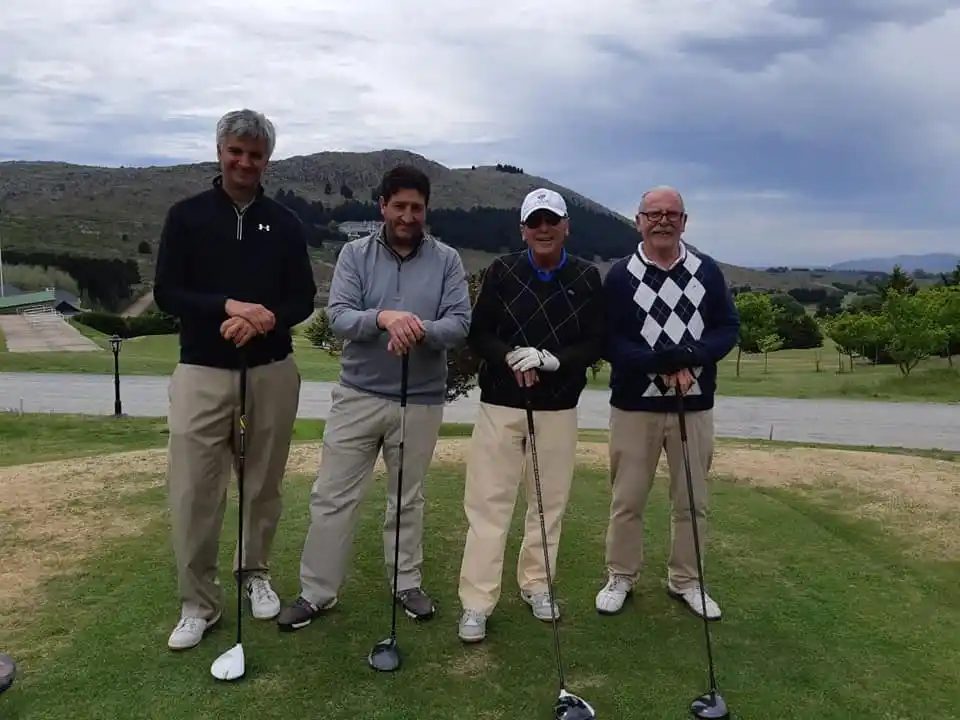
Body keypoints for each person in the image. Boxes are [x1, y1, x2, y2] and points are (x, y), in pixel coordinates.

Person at [276, 164, 472, 631]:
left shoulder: (447, 260)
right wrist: (384, 318)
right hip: (358, 395)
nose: (408, 215)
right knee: (332, 496)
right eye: (399, 206)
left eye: (417, 207)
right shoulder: (354, 255)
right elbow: (340, 316)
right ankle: (316, 593)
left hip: (420, 399)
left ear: (427, 210)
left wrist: (417, 328)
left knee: (407, 499)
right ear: (382, 206)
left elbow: (461, 324)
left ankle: (406, 582)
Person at [154, 108, 317, 650]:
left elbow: (301, 299)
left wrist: (266, 316)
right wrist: (228, 305)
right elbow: (168, 294)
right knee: (195, 490)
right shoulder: (187, 217)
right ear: (219, 152)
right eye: (236, 151)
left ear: (267, 159)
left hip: (270, 370)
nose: (244, 161)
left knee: (262, 484)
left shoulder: (286, 223)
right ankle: (198, 602)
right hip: (203, 367)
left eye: (255, 153)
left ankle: (255, 573)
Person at [456, 188, 604, 643]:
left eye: (551, 221)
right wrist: (510, 357)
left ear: (566, 227)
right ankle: (477, 603)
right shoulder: (503, 271)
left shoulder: (586, 276)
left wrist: (553, 360)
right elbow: (478, 333)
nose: (543, 229)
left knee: (548, 504)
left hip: (558, 407)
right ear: (523, 229)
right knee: (488, 505)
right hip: (501, 404)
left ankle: (537, 585)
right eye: (534, 222)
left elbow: (596, 342)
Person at [594, 185, 739, 621]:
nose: (662, 220)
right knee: (627, 498)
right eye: (652, 213)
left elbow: (726, 328)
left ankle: (687, 581)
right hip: (635, 407)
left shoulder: (706, 271)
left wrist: (691, 356)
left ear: (684, 221)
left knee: (692, 500)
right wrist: (659, 363)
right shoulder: (621, 274)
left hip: (691, 406)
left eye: (671, 213)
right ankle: (620, 575)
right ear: (638, 221)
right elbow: (609, 340)